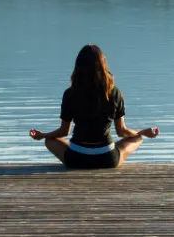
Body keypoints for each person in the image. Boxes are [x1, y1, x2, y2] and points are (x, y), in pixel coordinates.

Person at [29, 44, 159, 169]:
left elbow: (63, 132)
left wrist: (43, 135)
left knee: (50, 141)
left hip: (76, 159)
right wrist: (143, 132)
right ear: (103, 65)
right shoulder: (114, 92)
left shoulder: (70, 93)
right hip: (107, 159)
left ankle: (77, 150)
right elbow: (122, 131)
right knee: (137, 138)